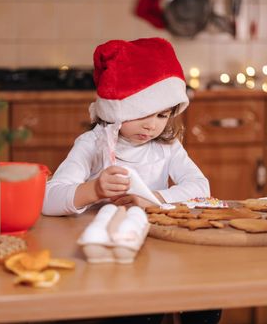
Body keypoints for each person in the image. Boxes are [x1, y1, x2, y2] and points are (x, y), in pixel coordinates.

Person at [42, 37, 221, 324]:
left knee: (206, 303)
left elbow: (201, 188)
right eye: (141, 113)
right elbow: (49, 198)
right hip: (107, 259)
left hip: (160, 252)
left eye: (163, 115)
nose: (152, 125)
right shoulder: (92, 144)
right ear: (116, 108)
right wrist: (93, 189)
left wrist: (153, 199)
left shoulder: (167, 146)